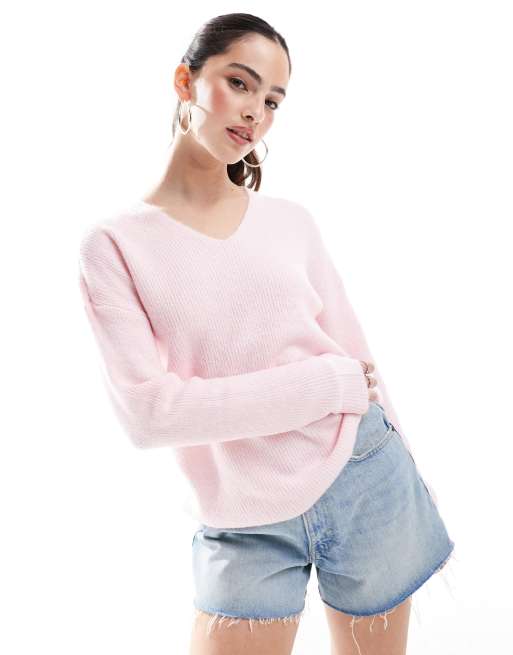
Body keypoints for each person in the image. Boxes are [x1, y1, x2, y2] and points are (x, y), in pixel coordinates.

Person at [78, 12, 456, 655]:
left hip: (366, 473)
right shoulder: (114, 245)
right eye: (240, 83)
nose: (256, 111)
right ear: (185, 81)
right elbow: (148, 415)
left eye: (273, 100)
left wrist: (411, 471)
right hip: (241, 510)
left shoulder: (291, 222)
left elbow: (357, 355)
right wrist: (322, 385)